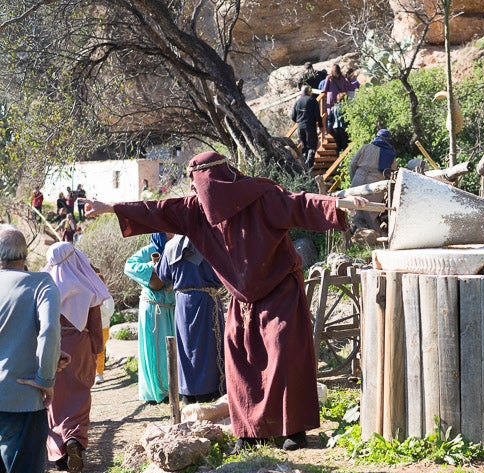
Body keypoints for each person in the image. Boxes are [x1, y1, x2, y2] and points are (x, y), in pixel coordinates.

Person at [85, 151, 367, 451]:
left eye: (198, 184)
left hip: (280, 291)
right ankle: (251, 431)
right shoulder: (195, 211)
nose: (195, 191)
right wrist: (110, 208)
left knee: (284, 352)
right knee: (240, 362)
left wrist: (336, 204)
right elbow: (157, 210)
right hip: (243, 300)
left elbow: (299, 203)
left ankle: (293, 430)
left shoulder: (262, 196)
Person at [0, 225, 62, 473]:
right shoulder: (41, 284)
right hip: (22, 401)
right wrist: (45, 378)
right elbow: (49, 332)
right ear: (25, 254)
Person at [43, 241, 109, 473]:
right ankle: (75, 439)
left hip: (50, 345)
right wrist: (97, 350)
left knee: (53, 399)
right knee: (79, 395)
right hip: (79, 345)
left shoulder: (44, 284)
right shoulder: (86, 286)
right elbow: (95, 324)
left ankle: (59, 452)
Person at [156, 235, 225, 404]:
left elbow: (162, 274)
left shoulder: (171, 246)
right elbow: (223, 274)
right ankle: (208, 392)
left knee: (187, 348)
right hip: (205, 300)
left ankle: (189, 394)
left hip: (183, 302)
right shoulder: (210, 241)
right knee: (206, 347)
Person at [125, 233, 175, 404]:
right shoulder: (150, 250)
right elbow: (129, 266)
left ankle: (177, 388)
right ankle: (156, 392)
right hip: (154, 309)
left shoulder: (180, 246)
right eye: (168, 231)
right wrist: (154, 268)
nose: (172, 233)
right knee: (156, 348)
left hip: (174, 308)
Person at [349, 129, 397, 232]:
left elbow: (352, 164)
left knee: (356, 211)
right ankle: (376, 238)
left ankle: (357, 237)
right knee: (371, 214)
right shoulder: (390, 155)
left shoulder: (366, 147)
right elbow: (392, 175)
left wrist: (354, 181)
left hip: (358, 179)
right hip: (375, 184)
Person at [291, 85, 323, 168]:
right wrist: (321, 125)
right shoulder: (312, 100)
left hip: (300, 127)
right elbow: (317, 116)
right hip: (310, 126)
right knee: (312, 146)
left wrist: (300, 121)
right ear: (309, 92)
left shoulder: (297, 101)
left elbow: (293, 117)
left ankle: (304, 166)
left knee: (304, 147)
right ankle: (309, 166)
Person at [321, 64, 357, 134]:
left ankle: (330, 131)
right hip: (341, 97)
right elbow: (346, 88)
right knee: (341, 113)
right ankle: (343, 129)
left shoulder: (329, 77)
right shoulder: (343, 77)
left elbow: (324, 89)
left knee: (330, 114)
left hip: (331, 98)